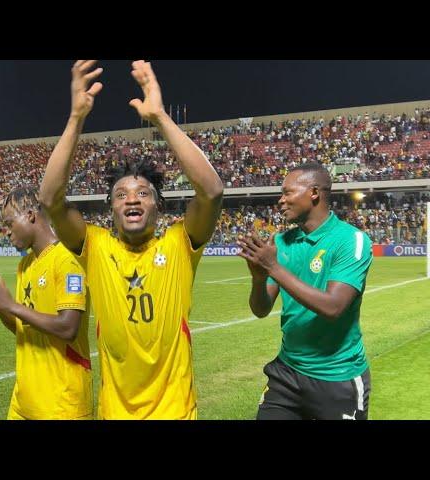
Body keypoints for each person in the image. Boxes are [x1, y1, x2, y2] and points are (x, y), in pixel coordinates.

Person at [39, 60, 224, 419]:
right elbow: (49, 200)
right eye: (122, 194)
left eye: (143, 192)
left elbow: (212, 192)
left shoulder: (179, 243)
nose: (133, 199)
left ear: (158, 205)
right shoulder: (94, 246)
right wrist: (76, 117)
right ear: (111, 208)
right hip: (115, 412)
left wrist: (160, 118)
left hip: (175, 412)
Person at [237, 162, 373, 420]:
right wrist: (258, 278)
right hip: (287, 373)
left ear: (313, 193)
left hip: (337, 376)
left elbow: (333, 307)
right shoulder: (281, 242)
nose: (281, 200)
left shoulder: (350, 240)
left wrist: (273, 268)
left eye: (288, 192)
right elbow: (260, 309)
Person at [0, 187, 92, 420]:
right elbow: (23, 328)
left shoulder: (67, 260)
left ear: (30, 215)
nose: (6, 233)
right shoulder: (25, 265)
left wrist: (10, 305)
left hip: (61, 404)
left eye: (9, 223)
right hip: (24, 401)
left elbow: (68, 328)